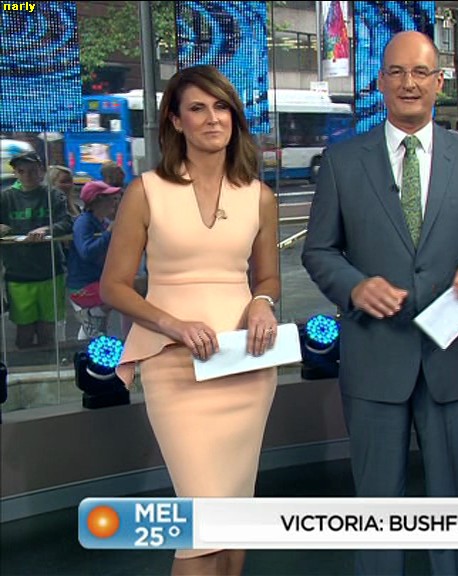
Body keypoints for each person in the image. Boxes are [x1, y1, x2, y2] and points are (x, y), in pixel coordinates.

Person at [302, 30, 458, 576]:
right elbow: (318, 250)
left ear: (439, 82)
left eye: (420, 72)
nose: (408, 83)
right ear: (380, 83)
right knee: (377, 506)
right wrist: (354, 286)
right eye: (396, 72)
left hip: (450, 358)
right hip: (375, 357)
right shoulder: (344, 162)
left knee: (454, 504)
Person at [100, 65, 280, 576]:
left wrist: (262, 302)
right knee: (201, 526)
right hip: (174, 366)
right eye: (197, 108)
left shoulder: (260, 197)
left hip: (243, 367)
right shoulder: (146, 191)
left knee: (235, 519)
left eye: (221, 107)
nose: (212, 118)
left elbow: (268, 278)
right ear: (176, 121)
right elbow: (114, 286)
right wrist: (174, 324)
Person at [0, 151, 73, 349]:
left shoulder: (53, 195)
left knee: (47, 331)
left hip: (50, 272)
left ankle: (46, 365)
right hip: (18, 274)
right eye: (22, 171)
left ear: (41, 171)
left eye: (32, 170)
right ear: (15, 173)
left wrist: (47, 229)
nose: (28, 175)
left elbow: (67, 222)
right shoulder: (5, 197)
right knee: (23, 331)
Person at [67, 180, 120, 339]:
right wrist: (109, 233)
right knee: (127, 291)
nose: (114, 202)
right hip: (84, 284)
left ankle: (92, 316)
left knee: (96, 327)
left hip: (98, 279)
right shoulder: (84, 222)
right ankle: (92, 314)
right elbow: (87, 251)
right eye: (110, 198)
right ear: (97, 201)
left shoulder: (103, 222)